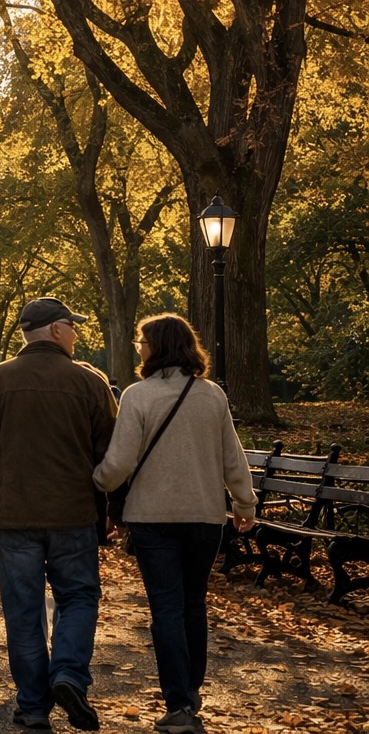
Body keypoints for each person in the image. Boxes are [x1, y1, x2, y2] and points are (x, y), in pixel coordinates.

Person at [0, 297, 116, 733]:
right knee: (79, 596)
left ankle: (32, 706)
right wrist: (109, 510)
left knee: (23, 610)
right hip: (73, 513)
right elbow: (109, 454)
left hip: (13, 515)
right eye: (73, 325)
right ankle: (68, 673)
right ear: (55, 330)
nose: (78, 333)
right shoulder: (89, 383)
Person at [93, 314, 258, 734]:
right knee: (193, 604)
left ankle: (179, 703)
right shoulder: (212, 395)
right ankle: (191, 691)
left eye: (142, 341)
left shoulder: (138, 396)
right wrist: (244, 503)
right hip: (205, 517)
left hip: (153, 519)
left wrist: (97, 481)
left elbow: (120, 463)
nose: (139, 347)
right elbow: (231, 456)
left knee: (166, 608)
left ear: (159, 346)